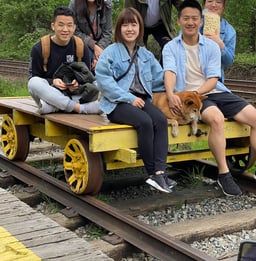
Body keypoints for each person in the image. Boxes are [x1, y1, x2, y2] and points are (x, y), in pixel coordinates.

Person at [162, 0, 256, 196]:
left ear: (201, 21)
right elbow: (169, 72)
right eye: (186, 18)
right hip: (189, 98)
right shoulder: (170, 47)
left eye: (194, 18)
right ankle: (223, 173)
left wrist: (198, 94)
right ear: (178, 21)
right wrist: (170, 94)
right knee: (217, 119)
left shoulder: (211, 46)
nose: (190, 22)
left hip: (214, 91)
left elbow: (213, 79)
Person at [95, 7, 177, 193]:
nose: (130, 29)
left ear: (140, 28)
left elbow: (160, 79)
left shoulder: (146, 55)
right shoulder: (110, 52)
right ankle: (152, 173)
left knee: (160, 120)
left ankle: (160, 171)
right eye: (125, 25)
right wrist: (128, 98)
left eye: (134, 24)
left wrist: (176, 91)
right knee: (145, 122)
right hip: (117, 103)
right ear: (119, 29)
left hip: (140, 101)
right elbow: (104, 81)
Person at [28, 6, 101, 115]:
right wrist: (53, 82)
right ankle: (79, 108)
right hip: (51, 93)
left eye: (69, 25)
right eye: (61, 25)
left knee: (101, 82)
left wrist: (77, 84)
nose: (65, 30)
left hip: (74, 94)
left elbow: (87, 77)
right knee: (33, 83)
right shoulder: (40, 48)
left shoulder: (80, 46)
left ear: (74, 27)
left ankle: (54, 107)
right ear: (53, 26)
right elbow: (36, 77)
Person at [68, 0, 112, 71]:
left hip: (103, 45)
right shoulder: (74, 4)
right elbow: (73, 30)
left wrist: (98, 52)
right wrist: (94, 46)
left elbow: (107, 32)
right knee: (87, 59)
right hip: (83, 43)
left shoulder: (106, 5)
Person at [200, 0, 235, 83]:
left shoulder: (229, 31)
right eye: (210, 1)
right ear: (204, 4)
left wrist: (221, 45)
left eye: (218, 2)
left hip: (214, 81)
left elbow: (228, 62)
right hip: (190, 77)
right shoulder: (192, 23)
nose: (213, 5)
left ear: (223, 6)